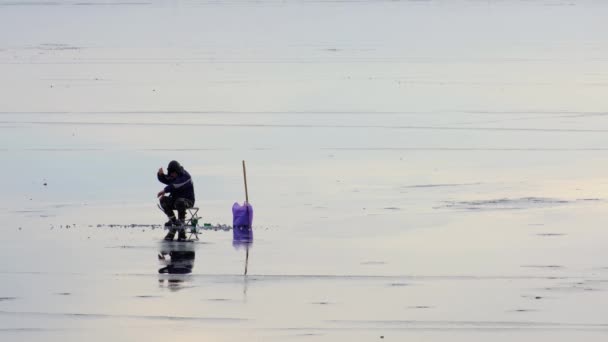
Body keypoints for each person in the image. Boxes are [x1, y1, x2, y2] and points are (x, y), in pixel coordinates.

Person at [157, 160, 195, 241]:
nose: (171, 176)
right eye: (170, 174)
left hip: (188, 201)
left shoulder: (186, 176)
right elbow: (166, 179)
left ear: (177, 171)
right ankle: (173, 221)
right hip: (176, 201)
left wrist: (164, 190)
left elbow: (176, 185)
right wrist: (160, 175)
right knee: (163, 199)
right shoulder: (174, 176)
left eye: (172, 174)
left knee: (180, 201)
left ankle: (181, 221)